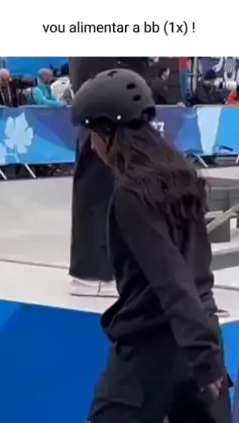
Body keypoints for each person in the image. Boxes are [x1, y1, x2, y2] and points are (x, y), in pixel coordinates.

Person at [71, 69, 239, 423]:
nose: (91, 146)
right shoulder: (179, 176)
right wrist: (206, 356)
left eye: (92, 135)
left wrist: (203, 356)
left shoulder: (131, 194)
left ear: (109, 133)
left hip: (153, 349)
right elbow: (193, 272)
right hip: (202, 335)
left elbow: (172, 279)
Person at [69, 57, 151, 297]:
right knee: (99, 182)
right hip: (107, 90)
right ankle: (94, 272)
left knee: (117, 182)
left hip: (117, 88)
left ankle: (111, 267)